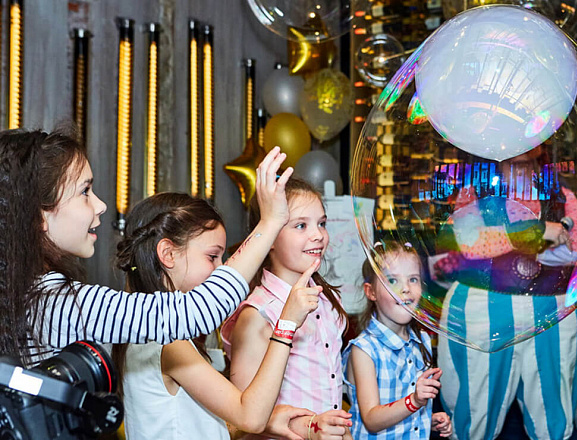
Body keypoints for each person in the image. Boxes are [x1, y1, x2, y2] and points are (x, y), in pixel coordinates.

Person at [0, 127, 291, 367]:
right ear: (39, 216)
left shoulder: (29, 296)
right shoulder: (54, 303)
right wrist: (270, 222)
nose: (100, 205)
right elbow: (195, 312)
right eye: (84, 192)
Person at [112, 192, 320, 440]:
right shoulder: (168, 342)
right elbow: (251, 416)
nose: (220, 268)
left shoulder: (145, 328)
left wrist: (269, 420)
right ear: (168, 254)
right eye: (212, 256)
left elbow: (194, 423)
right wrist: (286, 325)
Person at [433, 147, 577, 440]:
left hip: (552, 311)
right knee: (474, 408)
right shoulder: (473, 193)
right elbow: (469, 243)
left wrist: (506, 241)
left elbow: (575, 249)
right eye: (512, 161)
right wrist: (536, 232)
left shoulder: (562, 196)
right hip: (483, 310)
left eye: (527, 159)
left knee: (553, 412)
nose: (520, 166)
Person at [222, 177, 353, 440]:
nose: (318, 235)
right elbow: (242, 419)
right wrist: (310, 427)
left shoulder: (327, 300)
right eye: (301, 225)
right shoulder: (257, 314)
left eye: (322, 223)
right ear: (269, 238)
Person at [342, 241, 453, 439]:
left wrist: (427, 419)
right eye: (393, 280)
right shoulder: (364, 349)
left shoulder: (422, 341)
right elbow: (372, 419)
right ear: (371, 292)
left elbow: (402, 409)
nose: (406, 288)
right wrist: (414, 402)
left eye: (413, 279)